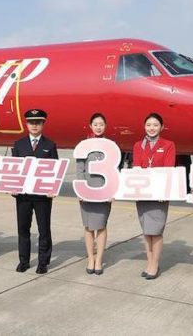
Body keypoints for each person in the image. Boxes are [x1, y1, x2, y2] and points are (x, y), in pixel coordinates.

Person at [11, 109, 58, 274]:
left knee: (43, 229)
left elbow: (55, 170)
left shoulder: (50, 145)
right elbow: (14, 169)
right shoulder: (18, 144)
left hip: (42, 196)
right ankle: (23, 261)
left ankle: (43, 262)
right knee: (23, 229)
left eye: (38, 122)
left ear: (43, 124)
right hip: (23, 196)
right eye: (31, 122)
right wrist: (12, 187)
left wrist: (53, 188)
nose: (35, 125)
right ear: (26, 124)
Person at [131, 112, 175, 279]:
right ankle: (149, 261)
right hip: (143, 194)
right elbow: (136, 166)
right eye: (148, 125)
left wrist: (164, 191)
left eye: (155, 125)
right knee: (146, 231)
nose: (152, 128)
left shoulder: (168, 144)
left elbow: (168, 168)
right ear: (144, 127)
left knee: (156, 231)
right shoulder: (138, 145)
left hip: (159, 195)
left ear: (161, 127)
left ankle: (155, 265)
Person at [75, 112, 112, 275]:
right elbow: (80, 168)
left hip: (104, 190)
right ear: (90, 126)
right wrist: (80, 189)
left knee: (102, 225)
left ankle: (99, 260)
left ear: (105, 126)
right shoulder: (84, 145)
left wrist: (112, 189)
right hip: (87, 190)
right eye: (95, 124)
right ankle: (91, 258)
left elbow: (114, 169)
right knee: (89, 227)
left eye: (101, 124)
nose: (98, 127)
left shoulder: (110, 145)